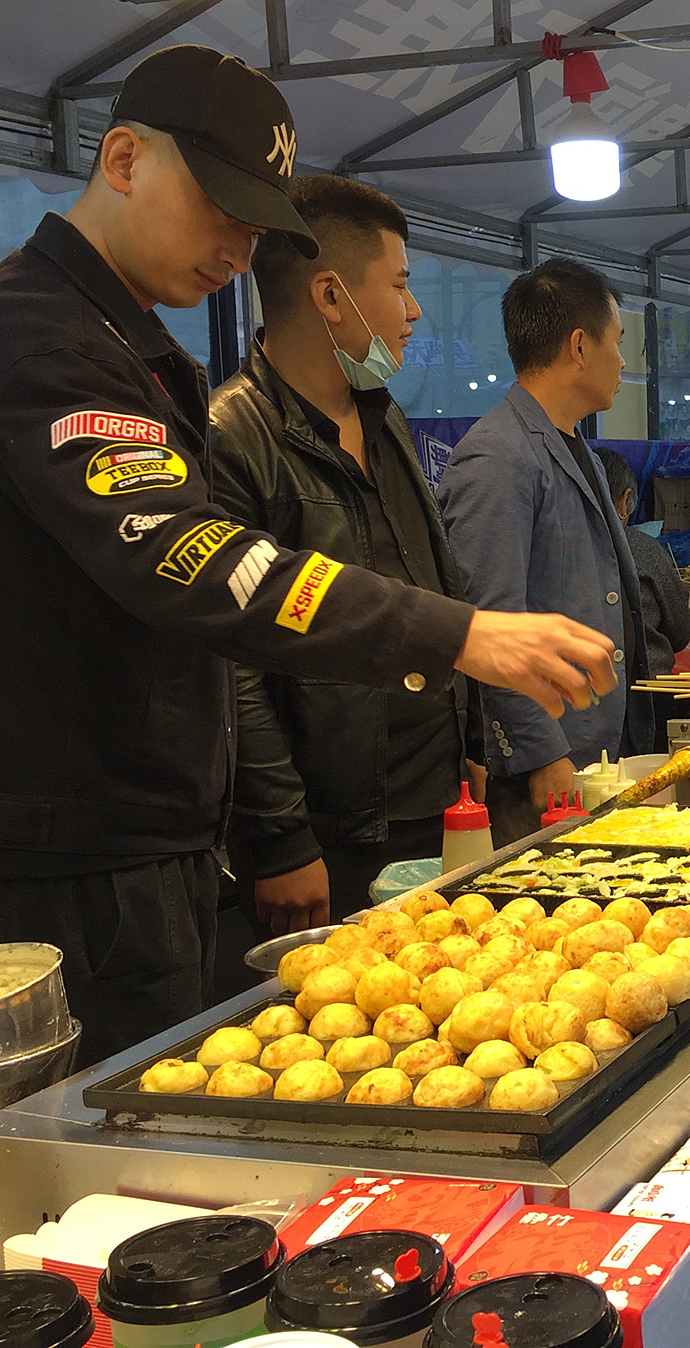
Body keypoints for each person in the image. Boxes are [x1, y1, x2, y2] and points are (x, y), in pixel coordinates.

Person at [0, 47, 618, 1062]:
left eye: (254, 225)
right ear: (122, 159)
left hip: (143, 842)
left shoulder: (128, 347)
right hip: (73, 860)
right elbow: (196, 566)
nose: (238, 251)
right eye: (219, 211)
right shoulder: (39, 341)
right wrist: (454, 634)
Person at [209, 175, 481, 932]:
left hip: (437, 803)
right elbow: (231, 656)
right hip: (333, 832)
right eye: (399, 285)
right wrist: (282, 834)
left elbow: (434, 582)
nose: (415, 310)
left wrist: (474, 738)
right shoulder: (233, 435)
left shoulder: (382, 414)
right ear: (330, 296)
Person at [441, 258, 650, 848]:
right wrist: (540, 754)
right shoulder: (498, 457)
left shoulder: (575, 443)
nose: (624, 362)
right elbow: (490, 618)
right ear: (579, 346)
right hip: (547, 768)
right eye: (619, 342)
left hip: (598, 749)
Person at [596, 446, 690, 678]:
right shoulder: (642, 550)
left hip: (570, 693)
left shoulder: (551, 548)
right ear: (625, 499)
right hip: (644, 690)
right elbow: (681, 631)